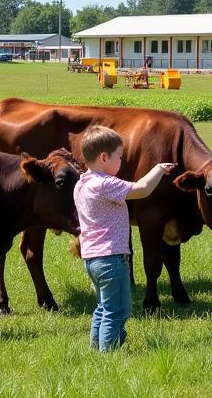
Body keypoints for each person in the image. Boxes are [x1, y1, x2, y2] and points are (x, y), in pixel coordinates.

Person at [73, 126, 175, 351]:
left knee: (103, 307)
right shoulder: (105, 184)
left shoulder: (81, 184)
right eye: (119, 157)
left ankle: (97, 348)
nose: (121, 162)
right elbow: (142, 188)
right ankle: (109, 354)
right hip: (111, 259)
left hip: (92, 259)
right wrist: (158, 168)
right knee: (118, 310)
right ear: (103, 157)